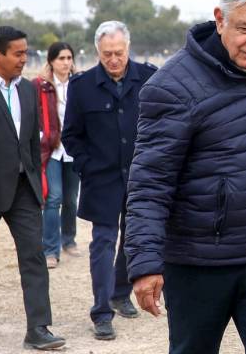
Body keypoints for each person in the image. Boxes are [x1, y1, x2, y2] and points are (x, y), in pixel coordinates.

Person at [125, 0, 246, 354]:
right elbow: (150, 183)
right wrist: (144, 263)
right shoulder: (171, 87)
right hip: (198, 264)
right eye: (244, 28)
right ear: (220, 18)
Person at [61, 21, 156, 340]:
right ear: (98, 53)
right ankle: (102, 311)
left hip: (141, 176)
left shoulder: (149, 79)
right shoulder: (82, 86)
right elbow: (71, 135)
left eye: (118, 53)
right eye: (106, 54)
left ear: (128, 48)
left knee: (134, 239)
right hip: (100, 180)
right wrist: (87, 165)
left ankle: (120, 292)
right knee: (102, 243)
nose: (113, 59)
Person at [0, 26, 66, 350]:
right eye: (18, 53)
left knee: (34, 257)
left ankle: (38, 328)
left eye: (25, 52)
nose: (25, 59)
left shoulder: (28, 90)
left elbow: (33, 143)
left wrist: (37, 179)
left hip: (23, 188)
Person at [32, 41, 81, 269]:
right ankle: (50, 249)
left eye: (69, 58)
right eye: (61, 58)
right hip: (50, 150)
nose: (66, 62)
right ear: (51, 61)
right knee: (53, 198)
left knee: (71, 199)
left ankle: (68, 239)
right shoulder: (40, 86)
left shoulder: (80, 85)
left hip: (73, 151)